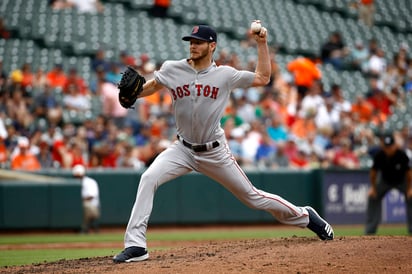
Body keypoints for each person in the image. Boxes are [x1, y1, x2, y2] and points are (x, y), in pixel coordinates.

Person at [113, 24, 334, 263]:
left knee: (253, 197)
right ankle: (136, 245)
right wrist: (134, 94)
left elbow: (262, 77)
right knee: (148, 178)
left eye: (198, 42)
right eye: (191, 41)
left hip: (214, 151)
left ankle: (305, 215)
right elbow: (153, 86)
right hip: (182, 149)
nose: (193, 45)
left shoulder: (225, 75)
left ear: (212, 46)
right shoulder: (172, 68)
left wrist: (261, 44)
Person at [365, 134, 412, 235]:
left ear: (394, 145)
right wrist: (373, 188)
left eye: (390, 147)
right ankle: (370, 230)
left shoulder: (402, 155)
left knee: (411, 197)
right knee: (372, 197)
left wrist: (410, 188)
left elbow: (409, 174)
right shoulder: (380, 155)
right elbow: (373, 173)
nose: (388, 150)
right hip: (384, 181)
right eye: (386, 147)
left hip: (401, 181)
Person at [72, 164, 101, 234]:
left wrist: (78, 201)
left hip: (93, 207)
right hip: (83, 206)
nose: (77, 178)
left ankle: (84, 228)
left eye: (78, 176)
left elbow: (91, 196)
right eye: (76, 176)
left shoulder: (90, 182)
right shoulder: (74, 183)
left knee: (84, 205)